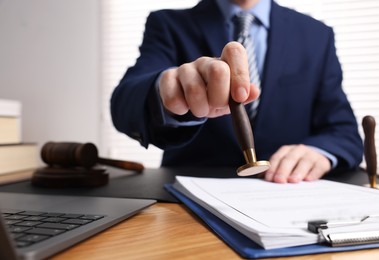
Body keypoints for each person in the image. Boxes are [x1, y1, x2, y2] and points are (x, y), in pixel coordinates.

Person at [110, 0, 363, 183]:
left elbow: (344, 132)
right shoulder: (168, 24)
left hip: (287, 194)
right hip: (188, 202)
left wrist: (318, 152)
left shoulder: (316, 34)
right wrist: (164, 91)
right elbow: (124, 104)